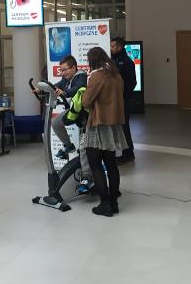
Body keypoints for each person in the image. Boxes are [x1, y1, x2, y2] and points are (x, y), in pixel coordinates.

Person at [81, 47, 128, 217]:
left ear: (92, 60)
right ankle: (114, 203)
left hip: (98, 123)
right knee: (111, 163)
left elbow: (86, 102)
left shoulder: (97, 76)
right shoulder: (116, 75)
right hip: (113, 123)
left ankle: (105, 204)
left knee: (94, 163)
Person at [49, 56, 93, 191]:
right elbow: (57, 85)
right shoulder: (66, 79)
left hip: (85, 116)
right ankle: (68, 146)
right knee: (56, 122)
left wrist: (65, 92)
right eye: (61, 71)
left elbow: (77, 89)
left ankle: (87, 177)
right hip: (73, 112)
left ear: (73, 67)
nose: (62, 73)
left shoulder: (81, 76)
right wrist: (42, 90)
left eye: (65, 70)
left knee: (84, 147)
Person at [110, 37, 137, 164]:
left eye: (113, 46)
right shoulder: (112, 60)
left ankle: (128, 154)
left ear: (120, 47)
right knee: (118, 127)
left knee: (124, 127)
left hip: (125, 99)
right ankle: (121, 153)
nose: (111, 48)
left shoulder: (127, 62)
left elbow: (132, 83)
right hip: (115, 100)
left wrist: (122, 93)